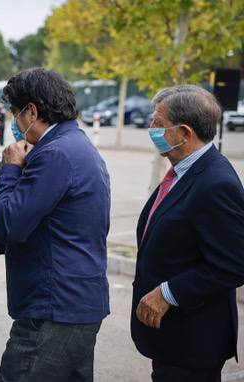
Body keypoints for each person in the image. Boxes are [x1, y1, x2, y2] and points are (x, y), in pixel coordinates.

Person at [0, 67, 111, 381]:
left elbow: (13, 224)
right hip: (76, 305)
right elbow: (50, 223)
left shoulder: (53, 153)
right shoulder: (78, 145)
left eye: (15, 114)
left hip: (53, 309)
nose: (15, 124)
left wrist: (10, 169)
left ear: (32, 111)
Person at [131, 84, 244, 381]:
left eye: (158, 123)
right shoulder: (183, 169)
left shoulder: (216, 183)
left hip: (193, 342)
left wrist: (168, 293)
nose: (151, 127)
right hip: (173, 338)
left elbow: (233, 265)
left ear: (184, 133)